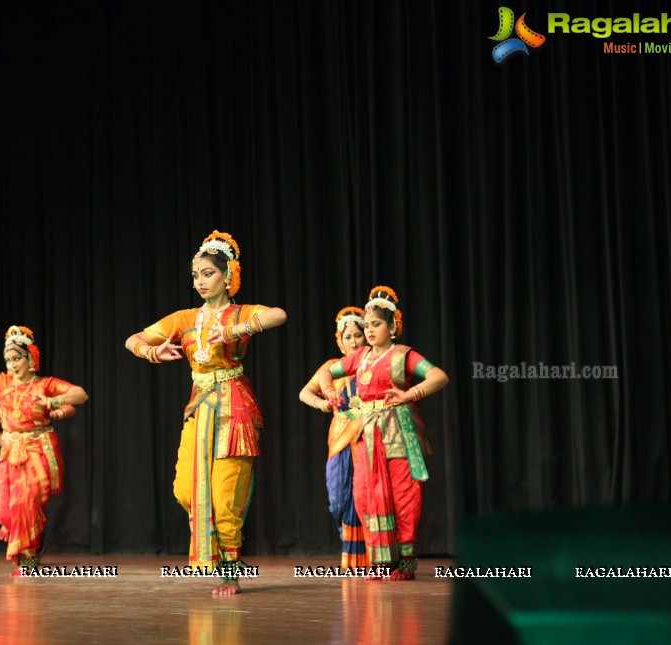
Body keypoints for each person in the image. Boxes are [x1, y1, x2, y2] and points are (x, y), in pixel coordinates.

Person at [124, 231, 287, 595]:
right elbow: (133, 338)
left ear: (228, 275)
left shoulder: (240, 312)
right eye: (196, 275)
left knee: (225, 493)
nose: (200, 281)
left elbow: (279, 315)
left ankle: (230, 569)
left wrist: (238, 329)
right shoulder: (184, 318)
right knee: (186, 487)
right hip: (199, 408)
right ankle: (216, 550)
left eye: (208, 273)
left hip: (236, 409)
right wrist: (150, 353)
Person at [319, 286, 448, 580]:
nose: (370, 330)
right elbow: (327, 373)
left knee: (404, 497)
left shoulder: (403, 355)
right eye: (367, 325)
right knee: (366, 495)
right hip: (366, 436)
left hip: (398, 432)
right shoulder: (360, 357)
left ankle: (405, 563)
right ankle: (381, 561)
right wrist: (328, 392)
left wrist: (410, 394)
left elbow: (439, 376)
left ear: (392, 327)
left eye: (376, 324)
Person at [0, 325, 88, 575]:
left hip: (38, 449)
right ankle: (31, 543)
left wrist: (53, 402)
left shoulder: (45, 385)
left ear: (30, 359)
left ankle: (29, 555)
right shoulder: (1, 383)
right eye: (8, 360)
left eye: (16, 359)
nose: (12, 365)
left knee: (27, 502)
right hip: (10, 452)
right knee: (4, 508)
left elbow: (80, 395)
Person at [299, 306, 369, 569]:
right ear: (340, 342)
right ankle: (352, 554)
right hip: (340, 439)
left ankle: (368, 559)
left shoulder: (374, 366)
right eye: (347, 336)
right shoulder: (331, 368)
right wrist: (322, 404)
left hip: (368, 436)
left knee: (367, 497)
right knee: (338, 500)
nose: (353, 341)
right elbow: (305, 392)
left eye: (358, 335)